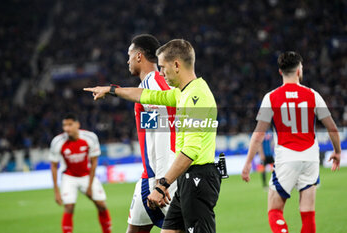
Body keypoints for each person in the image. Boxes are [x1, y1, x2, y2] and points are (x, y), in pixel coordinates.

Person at [84, 39, 221, 233]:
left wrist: (162, 183)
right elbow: (145, 95)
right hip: (183, 177)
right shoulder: (181, 94)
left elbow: (191, 150)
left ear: (176, 65)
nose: (161, 73)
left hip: (197, 177)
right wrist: (112, 90)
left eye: (163, 67)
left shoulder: (196, 97)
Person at [241, 51, 341, 233]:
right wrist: (338, 152)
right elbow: (332, 128)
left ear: (280, 72)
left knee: (275, 211)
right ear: (299, 70)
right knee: (308, 214)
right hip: (310, 157)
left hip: (286, 157)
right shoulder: (313, 95)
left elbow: (258, 134)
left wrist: (248, 163)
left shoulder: (271, 98)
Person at [122, 34, 178, 233]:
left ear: (139, 56)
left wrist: (161, 182)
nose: (127, 60)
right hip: (149, 177)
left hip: (158, 179)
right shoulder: (160, 83)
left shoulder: (151, 84)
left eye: (129, 55)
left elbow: (161, 134)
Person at [50, 113, 112, 233]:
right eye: (64, 125)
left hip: (87, 175)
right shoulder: (57, 141)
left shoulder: (90, 137)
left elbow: (94, 162)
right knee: (69, 207)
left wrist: (89, 186)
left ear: (77, 125)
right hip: (69, 177)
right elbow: (53, 166)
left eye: (70, 125)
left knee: (102, 205)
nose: (67, 128)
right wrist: (56, 191)